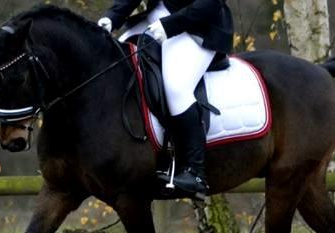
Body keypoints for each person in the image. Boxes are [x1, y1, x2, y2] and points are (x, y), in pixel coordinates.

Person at [98, 0, 233, 198]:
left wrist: (170, 25)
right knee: (112, 61)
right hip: (155, 19)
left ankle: (195, 173)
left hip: (198, 26)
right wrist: (112, 17)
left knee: (176, 87)